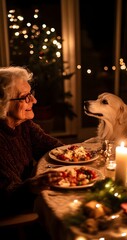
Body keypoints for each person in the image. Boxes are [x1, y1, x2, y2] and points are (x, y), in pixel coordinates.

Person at [0, 66, 64, 218]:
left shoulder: (24, 125)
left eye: (31, 94)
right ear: (3, 104)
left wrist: (79, 153)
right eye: (25, 97)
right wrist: (30, 186)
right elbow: (6, 198)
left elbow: (55, 148)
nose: (34, 101)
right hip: (19, 215)